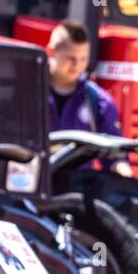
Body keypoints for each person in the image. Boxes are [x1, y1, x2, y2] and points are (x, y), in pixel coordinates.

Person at [46, 20, 133, 176]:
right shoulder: (28, 94)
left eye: (83, 59)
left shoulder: (98, 101)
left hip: (74, 192)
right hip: (28, 186)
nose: (77, 65)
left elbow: (114, 155)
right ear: (52, 51)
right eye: (70, 58)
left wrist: (127, 177)